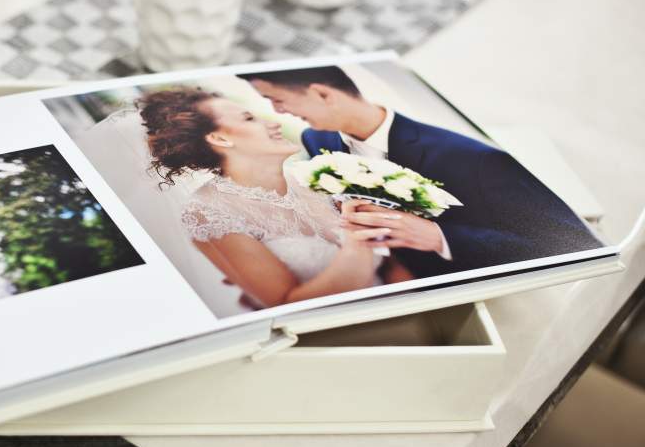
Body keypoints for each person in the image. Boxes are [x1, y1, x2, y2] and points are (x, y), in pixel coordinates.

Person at [238, 66, 602, 276]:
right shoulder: (316, 139)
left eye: (278, 100)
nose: (279, 112)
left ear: (322, 93)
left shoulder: (472, 158)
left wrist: (439, 237)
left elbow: (575, 246)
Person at [138, 88, 403, 309]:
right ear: (219, 138)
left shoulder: (313, 176)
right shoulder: (209, 213)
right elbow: (287, 306)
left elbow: (391, 263)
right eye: (249, 119)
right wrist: (360, 241)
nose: (273, 123)